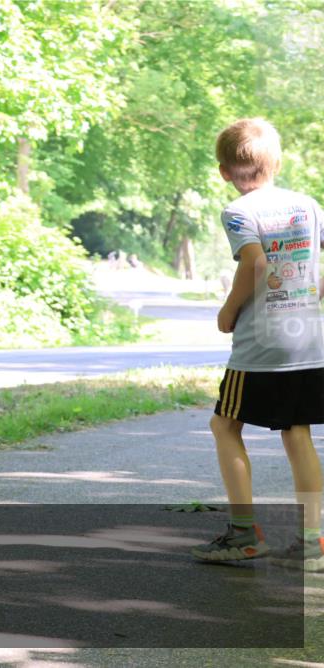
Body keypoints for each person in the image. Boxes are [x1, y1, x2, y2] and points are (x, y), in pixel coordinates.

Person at [190, 118, 324, 572]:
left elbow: (255, 263)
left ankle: (244, 534)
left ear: (224, 172)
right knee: (297, 431)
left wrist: (228, 310)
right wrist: (312, 297)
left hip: (260, 346)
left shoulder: (239, 211)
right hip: (307, 341)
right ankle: (311, 542)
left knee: (225, 425)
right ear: (277, 163)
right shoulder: (307, 206)